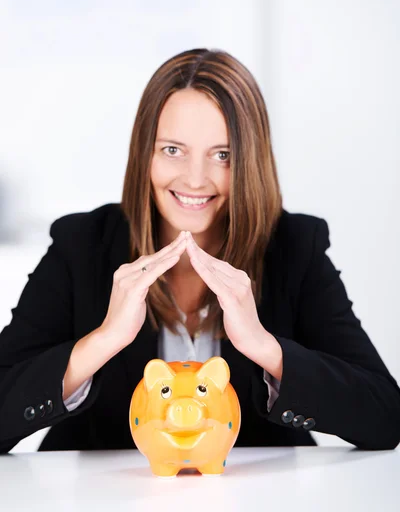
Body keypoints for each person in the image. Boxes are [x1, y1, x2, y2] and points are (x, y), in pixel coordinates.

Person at [0, 48, 399, 455]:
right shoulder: (81, 245)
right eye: (173, 150)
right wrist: (103, 340)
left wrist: (265, 348)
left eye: (222, 155)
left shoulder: (294, 246)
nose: (195, 179)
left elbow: (385, 416)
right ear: (145, 155)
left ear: (249, 162)